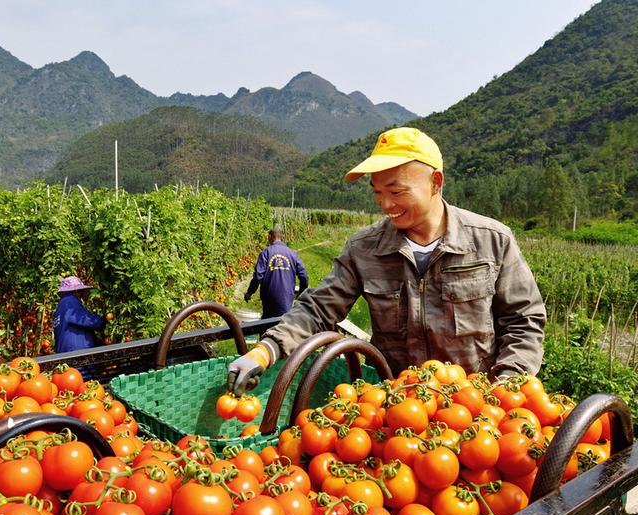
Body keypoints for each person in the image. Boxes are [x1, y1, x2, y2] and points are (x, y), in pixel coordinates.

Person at [227, 126, 546, 395]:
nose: (385, 203)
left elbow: (524, 319)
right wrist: (264, 350)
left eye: (396, 191)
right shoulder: (365, 249)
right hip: (396, 409)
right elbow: (318, 309)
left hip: (474, 406)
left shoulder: (491, 240)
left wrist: (506, 389)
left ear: (436, 182)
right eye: (377, 192)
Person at [244, 228, 309, 319]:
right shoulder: (292, 254)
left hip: (269, 299)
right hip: (286, 298)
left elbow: (258, 277)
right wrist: (301, 292)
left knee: (268, 326)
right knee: (284, 324)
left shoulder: (266, 253)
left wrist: (249, 292)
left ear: (270, 237)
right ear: (282, 237)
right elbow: (304, 275)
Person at [53, 275, 105, 353]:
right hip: (77, 350)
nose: (83, 294)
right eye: (82, 291)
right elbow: (87, 321)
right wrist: (101, 320)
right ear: (76, 291)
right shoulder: (70, 301)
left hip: (65, 351)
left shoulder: (60, 307)